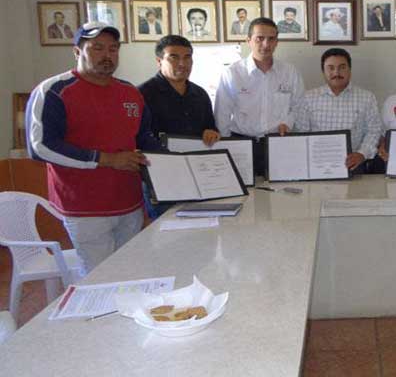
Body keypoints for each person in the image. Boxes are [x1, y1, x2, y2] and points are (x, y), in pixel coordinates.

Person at [26, 22, 159, 274]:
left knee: (130, 272)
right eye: (97, 48)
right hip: (84, 208)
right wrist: (106, 159)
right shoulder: (54, 91)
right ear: (77, 51)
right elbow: (40, 147)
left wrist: (179, 164)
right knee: (99, 277)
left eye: (113, 49)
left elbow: (144, 139)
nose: (107, 55)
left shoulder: (130, 93)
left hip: (130, 203)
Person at [139, 35, 219, 218]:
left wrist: (211, 133)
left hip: (198, 176)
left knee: (201, 226)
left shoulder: (200, 94)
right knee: (166, 228)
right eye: (174, 57)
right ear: (159, 61)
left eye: (187, 57)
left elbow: (211, 129)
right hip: (160, 177)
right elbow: (137, 138)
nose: (182, 64)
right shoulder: (142, 94)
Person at [214, 17, 304, 174]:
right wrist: (226, 146)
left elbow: (299, 106)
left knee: (281, 187)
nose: (266, 44)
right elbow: (222, 114)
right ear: (248, 41)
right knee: (243, 187)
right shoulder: (232, 73)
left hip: (278, 143)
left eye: (271, 39)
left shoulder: (290, 72)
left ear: (277, 42)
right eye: (260, 38)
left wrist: (288, 123)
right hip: (241, 143)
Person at [294, 48, 382, 173]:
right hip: (316, 165)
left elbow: (374, 131)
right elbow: (301, 132)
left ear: (350, 70)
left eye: (342, 67)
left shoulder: (367, 98)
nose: (336, 72)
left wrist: (362, 154)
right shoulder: (308, 98)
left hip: (354, 165)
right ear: (323, 71)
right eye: (331, 68)